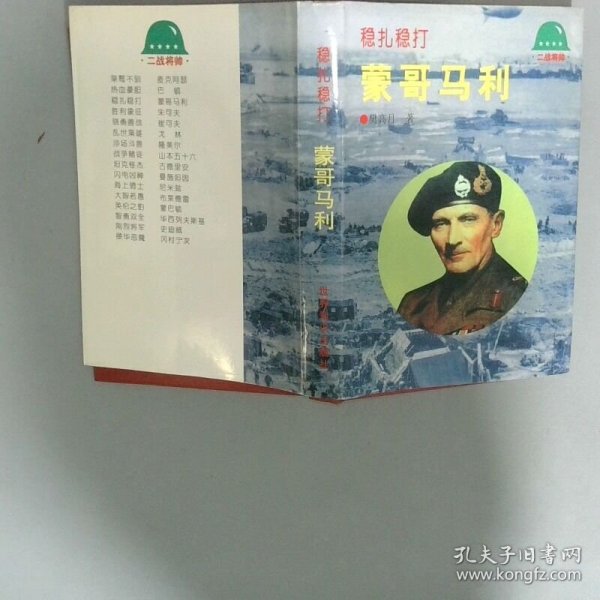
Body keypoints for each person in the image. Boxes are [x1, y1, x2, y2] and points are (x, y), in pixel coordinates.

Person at [397, 161, 527, 335]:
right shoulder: (412, 305)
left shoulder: (517, 297)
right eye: (441, 224)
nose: (452, 239)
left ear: (495, 224)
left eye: (468, 220)